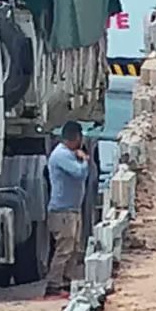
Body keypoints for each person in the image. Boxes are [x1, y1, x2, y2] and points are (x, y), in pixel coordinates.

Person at [44, 121, 90, 298]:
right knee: (64, 248)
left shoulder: (69, 154)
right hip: (62, 211)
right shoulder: (61, 155)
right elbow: (79, 173)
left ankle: (66, 281)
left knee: (74, 248)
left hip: (72, 209)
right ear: (76, 137)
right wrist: (84, 160)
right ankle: (54, 284)